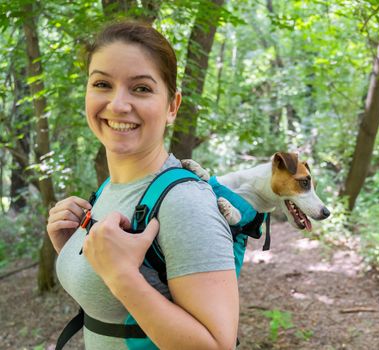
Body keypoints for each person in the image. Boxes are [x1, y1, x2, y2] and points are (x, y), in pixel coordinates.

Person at [46, 20, 239, 349]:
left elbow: (218, 346)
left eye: (141, 88)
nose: (118, 104)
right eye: (102, 84)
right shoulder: (110, 187)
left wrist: (122, 277)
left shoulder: (184, 204)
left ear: (172, 106)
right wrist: (72, 249)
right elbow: (117, 308)